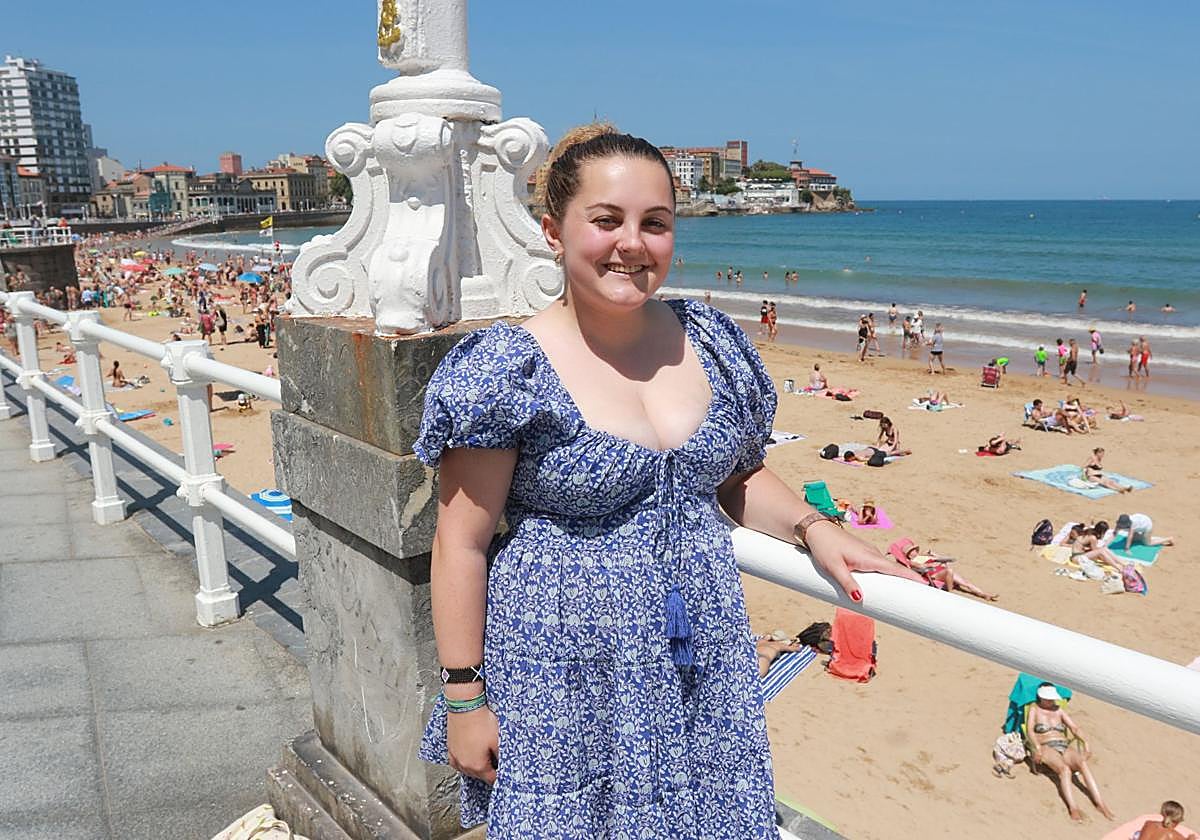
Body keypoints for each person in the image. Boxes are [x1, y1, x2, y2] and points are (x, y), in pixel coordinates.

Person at [413, 125, 919, 836]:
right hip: (561, 666)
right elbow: (459, 544)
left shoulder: (708, 341)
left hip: (701, 653)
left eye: (655, 223)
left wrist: (815, 528)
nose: (633, 243)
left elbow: (736, 474)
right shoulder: (508, 369)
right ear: (554, 232)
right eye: (607, 220)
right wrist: (466, 701)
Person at [1026, 683, 1116, 821]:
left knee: (1082, 762)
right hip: (1046, 746)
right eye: (1048, 699)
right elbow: (1030, 731)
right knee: (1064, 770)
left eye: (1052, 699)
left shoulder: (1059, 710)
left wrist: (1086, 743)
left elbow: (1074, 728)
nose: (1051, 701)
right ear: (1041, 697)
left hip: (1063, 744)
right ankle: (1073, 807)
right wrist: (1037, 748)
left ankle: (1100, 803)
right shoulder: (1034, 710)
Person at [887, 538, 998, 600]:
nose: (914, 552)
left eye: (915, 550)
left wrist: (934, 555)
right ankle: (949, 595)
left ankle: (984, 594)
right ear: (908, 554)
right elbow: (921, 567)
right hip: (935, 575)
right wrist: (927, 564)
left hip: (940, 570)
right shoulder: (912, 562)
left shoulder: (923, 556)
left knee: (966, 583)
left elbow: (942, 558)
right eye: (912, 551)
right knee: (949, 571)